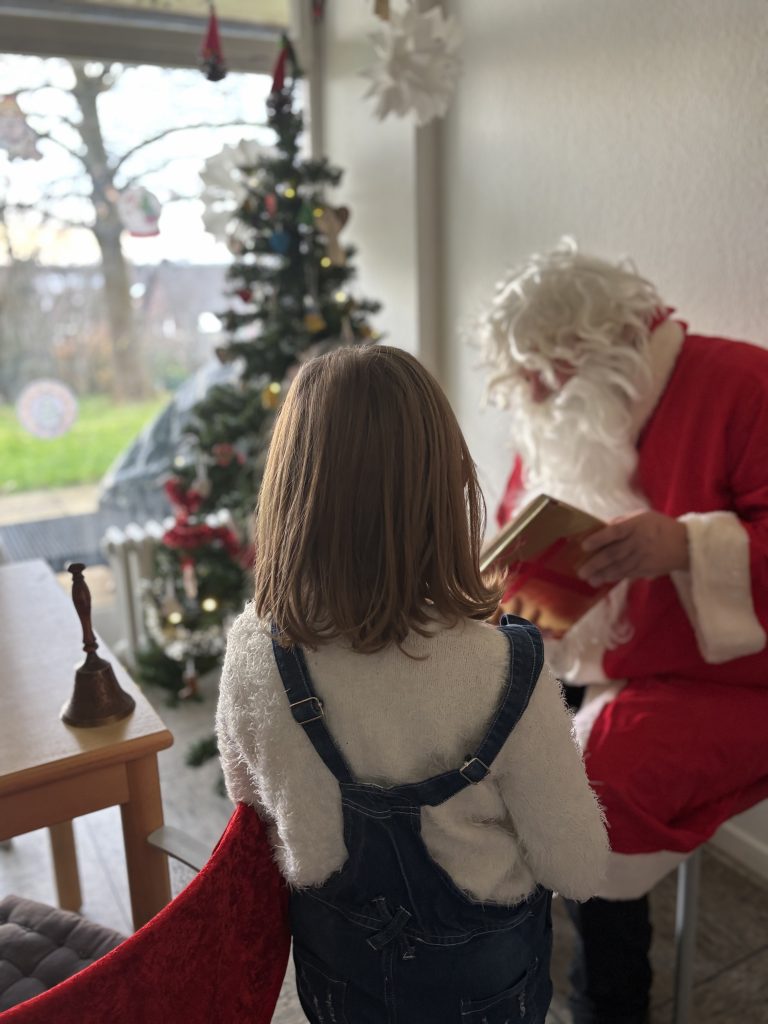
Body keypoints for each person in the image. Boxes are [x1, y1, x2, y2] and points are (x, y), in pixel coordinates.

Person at [215, 344, 608, 1024]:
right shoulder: (503, 666)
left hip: (337, 969)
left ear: (287, 487)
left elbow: (247, 799)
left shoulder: (253, 648)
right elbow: (576, 865)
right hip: (481, 982)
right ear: (445, 485)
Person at [479, 240, 768, 1024]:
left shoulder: (743, 383)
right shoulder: (552, 412)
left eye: (551, 369)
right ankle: (497, 968)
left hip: (723, 676)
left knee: (589, 790)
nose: (536, 392)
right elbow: (524, 538)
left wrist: (684, 547)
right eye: (525, 374)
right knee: (475, 736)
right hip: (583, 647)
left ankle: (609, 1003)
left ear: (611, 342)